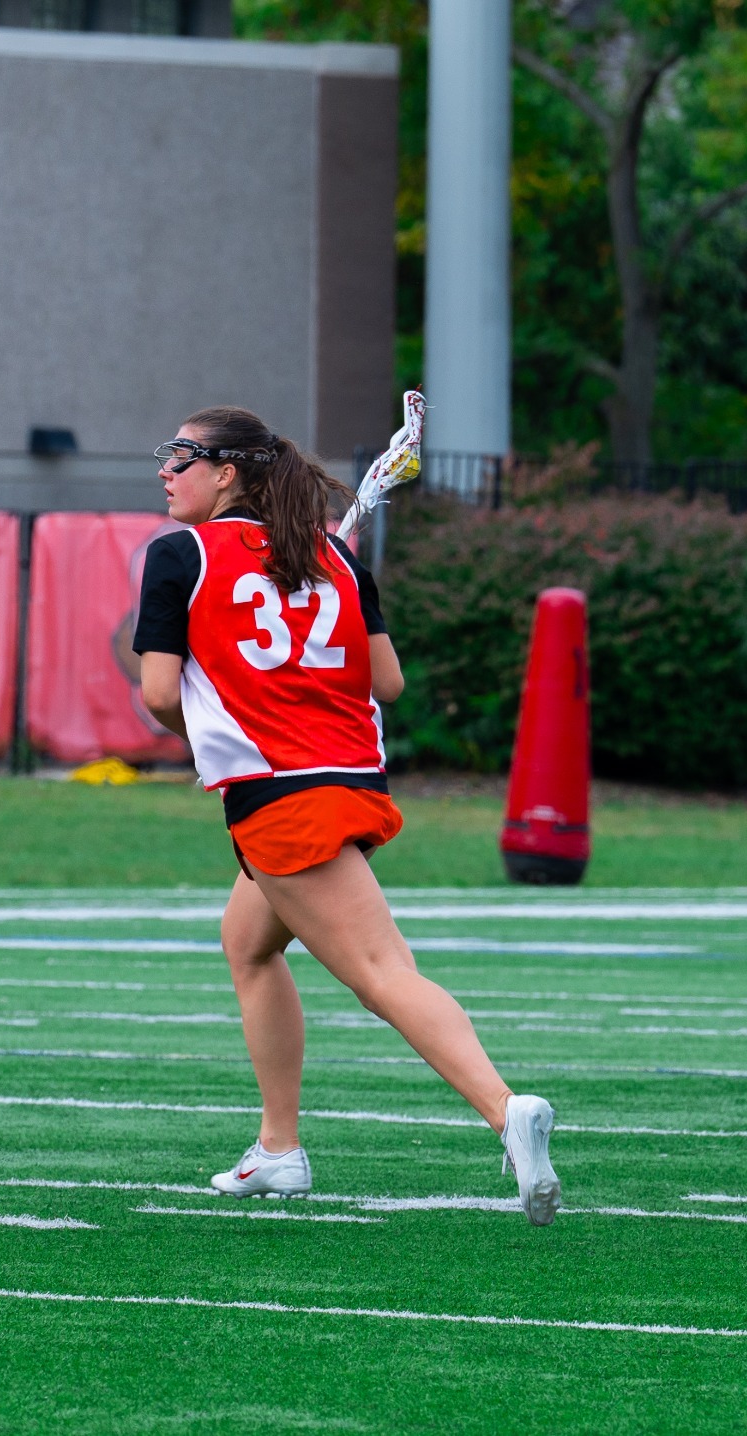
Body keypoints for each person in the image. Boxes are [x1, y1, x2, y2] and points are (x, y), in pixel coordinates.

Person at [133, 405, 561, 1225]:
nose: (166, 471)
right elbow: (386, 682)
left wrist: (215, 731)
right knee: (248, 944)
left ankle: (505, 1110)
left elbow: (158, 693)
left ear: (228, 473)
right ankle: (278, 1149)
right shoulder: (332, 555)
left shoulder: (179, 555)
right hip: (351, 783)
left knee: (381, 976)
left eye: (181, 457)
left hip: (280, 795)